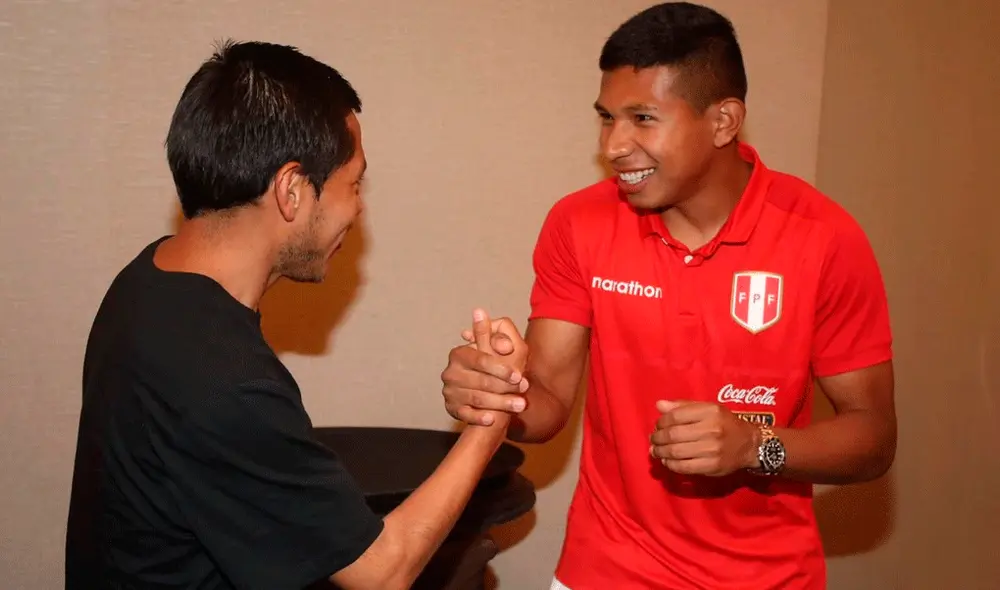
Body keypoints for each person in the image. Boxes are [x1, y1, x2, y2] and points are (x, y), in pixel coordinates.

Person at [440, 3, 896, 589]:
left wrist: (757, 447)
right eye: (607, 118)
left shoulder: (823, 237)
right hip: (605, 569)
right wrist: (499, 394)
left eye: (643, 118)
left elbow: (874, 439)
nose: (614, 145)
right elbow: (548, 402)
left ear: (724, 121)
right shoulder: (579, 223)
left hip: (768, 577)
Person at [65, 40, 512, 590]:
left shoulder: (148, 281)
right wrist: (489, 423)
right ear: (293, 190)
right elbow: (382, 571)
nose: (358, 208)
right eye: (354, 184)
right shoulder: (224, 378)